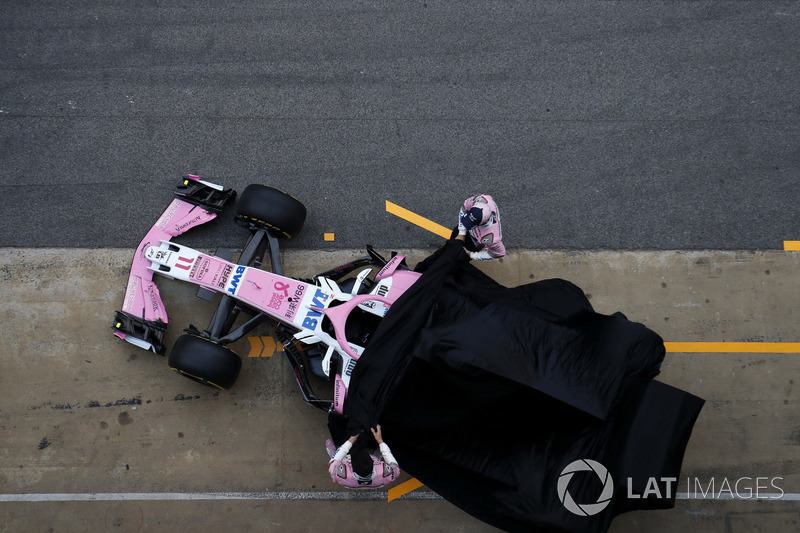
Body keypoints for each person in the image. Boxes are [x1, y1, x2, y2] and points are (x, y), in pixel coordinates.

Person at [326, 425, 400, 488]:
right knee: (384, 450)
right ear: (372, 462)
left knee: (337, 459)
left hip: (350, 484)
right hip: (376, 483)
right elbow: (394, 464)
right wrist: (380, 441)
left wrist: (350, 441)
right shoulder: (389, 473)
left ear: (352, 468)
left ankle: (332, 452)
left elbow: (334, 462)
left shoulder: (338, 474)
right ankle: (376, 457)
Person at [456, 194, 505, 260]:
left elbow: (499, 253)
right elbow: (464, 207)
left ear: (485, 221)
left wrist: (471, 254)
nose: (467, 224)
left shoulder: (492, 238)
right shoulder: (481, 199)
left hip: (473, 243)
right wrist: (461, 233)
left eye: (473, 223)